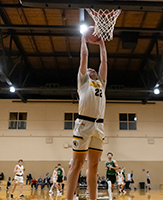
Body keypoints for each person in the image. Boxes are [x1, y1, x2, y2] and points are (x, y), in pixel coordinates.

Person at [66, 32, 108, 200]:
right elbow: (84, 55)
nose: (91, 69)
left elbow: (104, 61)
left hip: (99, 126)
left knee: (94, 166)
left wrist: (102, 44)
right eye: (88, 69)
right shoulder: (83, 81)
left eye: (93, 69)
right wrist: (83, 38)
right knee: (77, 165)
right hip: (83, 124)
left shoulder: (101, 84)